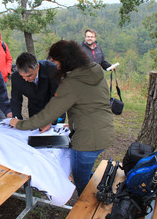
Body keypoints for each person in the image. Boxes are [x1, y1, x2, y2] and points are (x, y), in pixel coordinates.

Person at [10, 40, 115, 196]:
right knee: (84, 174)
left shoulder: (71, 82)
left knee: (80, 180)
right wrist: (72, 125)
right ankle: (101, 194)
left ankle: (89, 208)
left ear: (66, 61)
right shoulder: (93, 71)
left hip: (87, 140)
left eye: (56, 62)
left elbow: (50, 113)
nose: (54, 66)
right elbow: (90, 105)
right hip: (104, 131)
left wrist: (19, 124)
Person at [11, 52, 64, 130]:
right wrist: (17, 119)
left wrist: (51, 120)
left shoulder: (52, 70)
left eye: (29, 75)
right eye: (23, 76)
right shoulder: (15, 77)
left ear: (38, 67)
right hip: (35, 109)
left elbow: (58, 97)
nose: (26, 79)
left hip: (55, 109)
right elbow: (16, 100)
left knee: (56, 137)